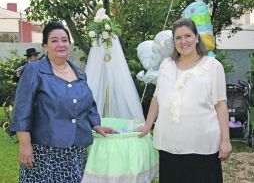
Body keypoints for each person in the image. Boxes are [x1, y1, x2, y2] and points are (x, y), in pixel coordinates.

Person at [10, 21, 117, 183]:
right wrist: (25, 145)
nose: (61, 44)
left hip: (77, 151)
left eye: (64, 40)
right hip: (45, 154)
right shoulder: (34, 70)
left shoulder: (79, 72)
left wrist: (96, 124)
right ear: (45, 46)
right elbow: (22, 111)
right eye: (54, 40)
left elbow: (88, 105)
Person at [137, 18, 232, 183]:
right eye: (178, 38)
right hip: (169, 144)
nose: (183, 41)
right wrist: (147, 125)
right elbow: (157, 98)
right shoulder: (166, 65)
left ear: (196, 37)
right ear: (174, 42)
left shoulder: (213, 66)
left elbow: (221, 105)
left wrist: (225, 141)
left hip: (202, 145)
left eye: (188, 35)